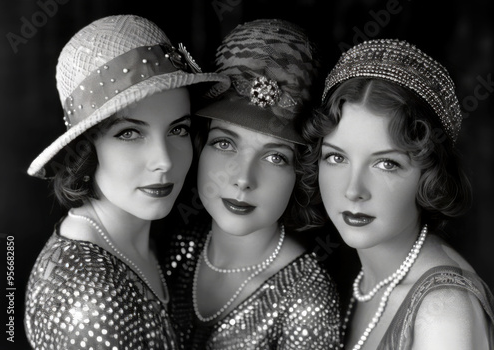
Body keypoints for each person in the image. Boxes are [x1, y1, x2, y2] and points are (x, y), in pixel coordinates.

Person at [24, 14, 229, 350]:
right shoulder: (93, 299)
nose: (164, 160)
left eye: (178, 129)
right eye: (130, 133)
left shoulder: (155, 236)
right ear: (87, 147)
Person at [302, 38, 494, 349]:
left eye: (386, 163)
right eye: (336, 157)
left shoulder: (443, 314)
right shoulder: (365, 279)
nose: (354, 190)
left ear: (428, 173)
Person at [164, 19, 342, 349]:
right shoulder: (172, 247)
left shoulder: (308, 302)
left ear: (301, 172)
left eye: (275, 157)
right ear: (200, 145)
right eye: (224, 143)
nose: (244, 179)